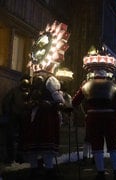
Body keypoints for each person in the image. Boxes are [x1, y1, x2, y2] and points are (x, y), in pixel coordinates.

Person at [21, 21, 70, 180]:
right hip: (47, 115)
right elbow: (58, 97)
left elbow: (27, 96)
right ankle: (49, 170)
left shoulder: (33, 78)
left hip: (33, 115)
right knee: (47, 142)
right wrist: (63, 105)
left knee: (34, 143)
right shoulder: (51, 79)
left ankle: (34, 169)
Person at [72, 45, 116, 180]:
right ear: (107, 70)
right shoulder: (115, 85)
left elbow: (74, 102)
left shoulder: (85, 85)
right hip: (110, 118)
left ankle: (100, 173)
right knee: (113, 144)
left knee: (96, 144)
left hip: (93, 118)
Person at [1, 75, 30, 164]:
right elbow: (6, 102)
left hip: (24, 117)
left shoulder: (30, 92)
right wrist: (8, 112)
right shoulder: (14, 91)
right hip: (14, 116)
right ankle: (10, 157)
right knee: (11, 137)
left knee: (23, 137)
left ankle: (20, 156)